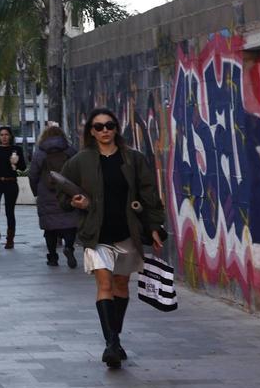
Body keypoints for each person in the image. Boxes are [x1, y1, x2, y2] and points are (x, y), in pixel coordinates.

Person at [59, 107, 166, 369]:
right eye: (98, 127)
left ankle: (115, 339)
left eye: (109, 125)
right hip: (96, 234)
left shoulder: (134, 159)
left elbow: (149, 193)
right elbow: (61, 193)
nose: (104, 130)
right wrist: (75, 202)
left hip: (126, 232)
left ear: (116, 128)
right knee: (104, 284)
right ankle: (111, 344)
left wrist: (153, 226)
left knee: (120, 285)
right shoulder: (80, 161)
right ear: (91, 132)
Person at [27, 122, 79, 268]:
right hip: (67, 193)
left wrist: (36, 191)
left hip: (46, 194)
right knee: (70, 225)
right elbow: (78, 170)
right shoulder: (70, 151)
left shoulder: (40, 153)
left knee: (49, 228)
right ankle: (69, 247)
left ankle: (52, 257)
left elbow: (33, 174)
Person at [0, 125, 26, 250]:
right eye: (2, 135)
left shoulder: (16, 149)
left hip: (11, 182)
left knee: (9, 211)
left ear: (10, 136)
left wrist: (16, 162)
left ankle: (10, 240)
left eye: (6, 134)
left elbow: (23, 167)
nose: (4, 137)